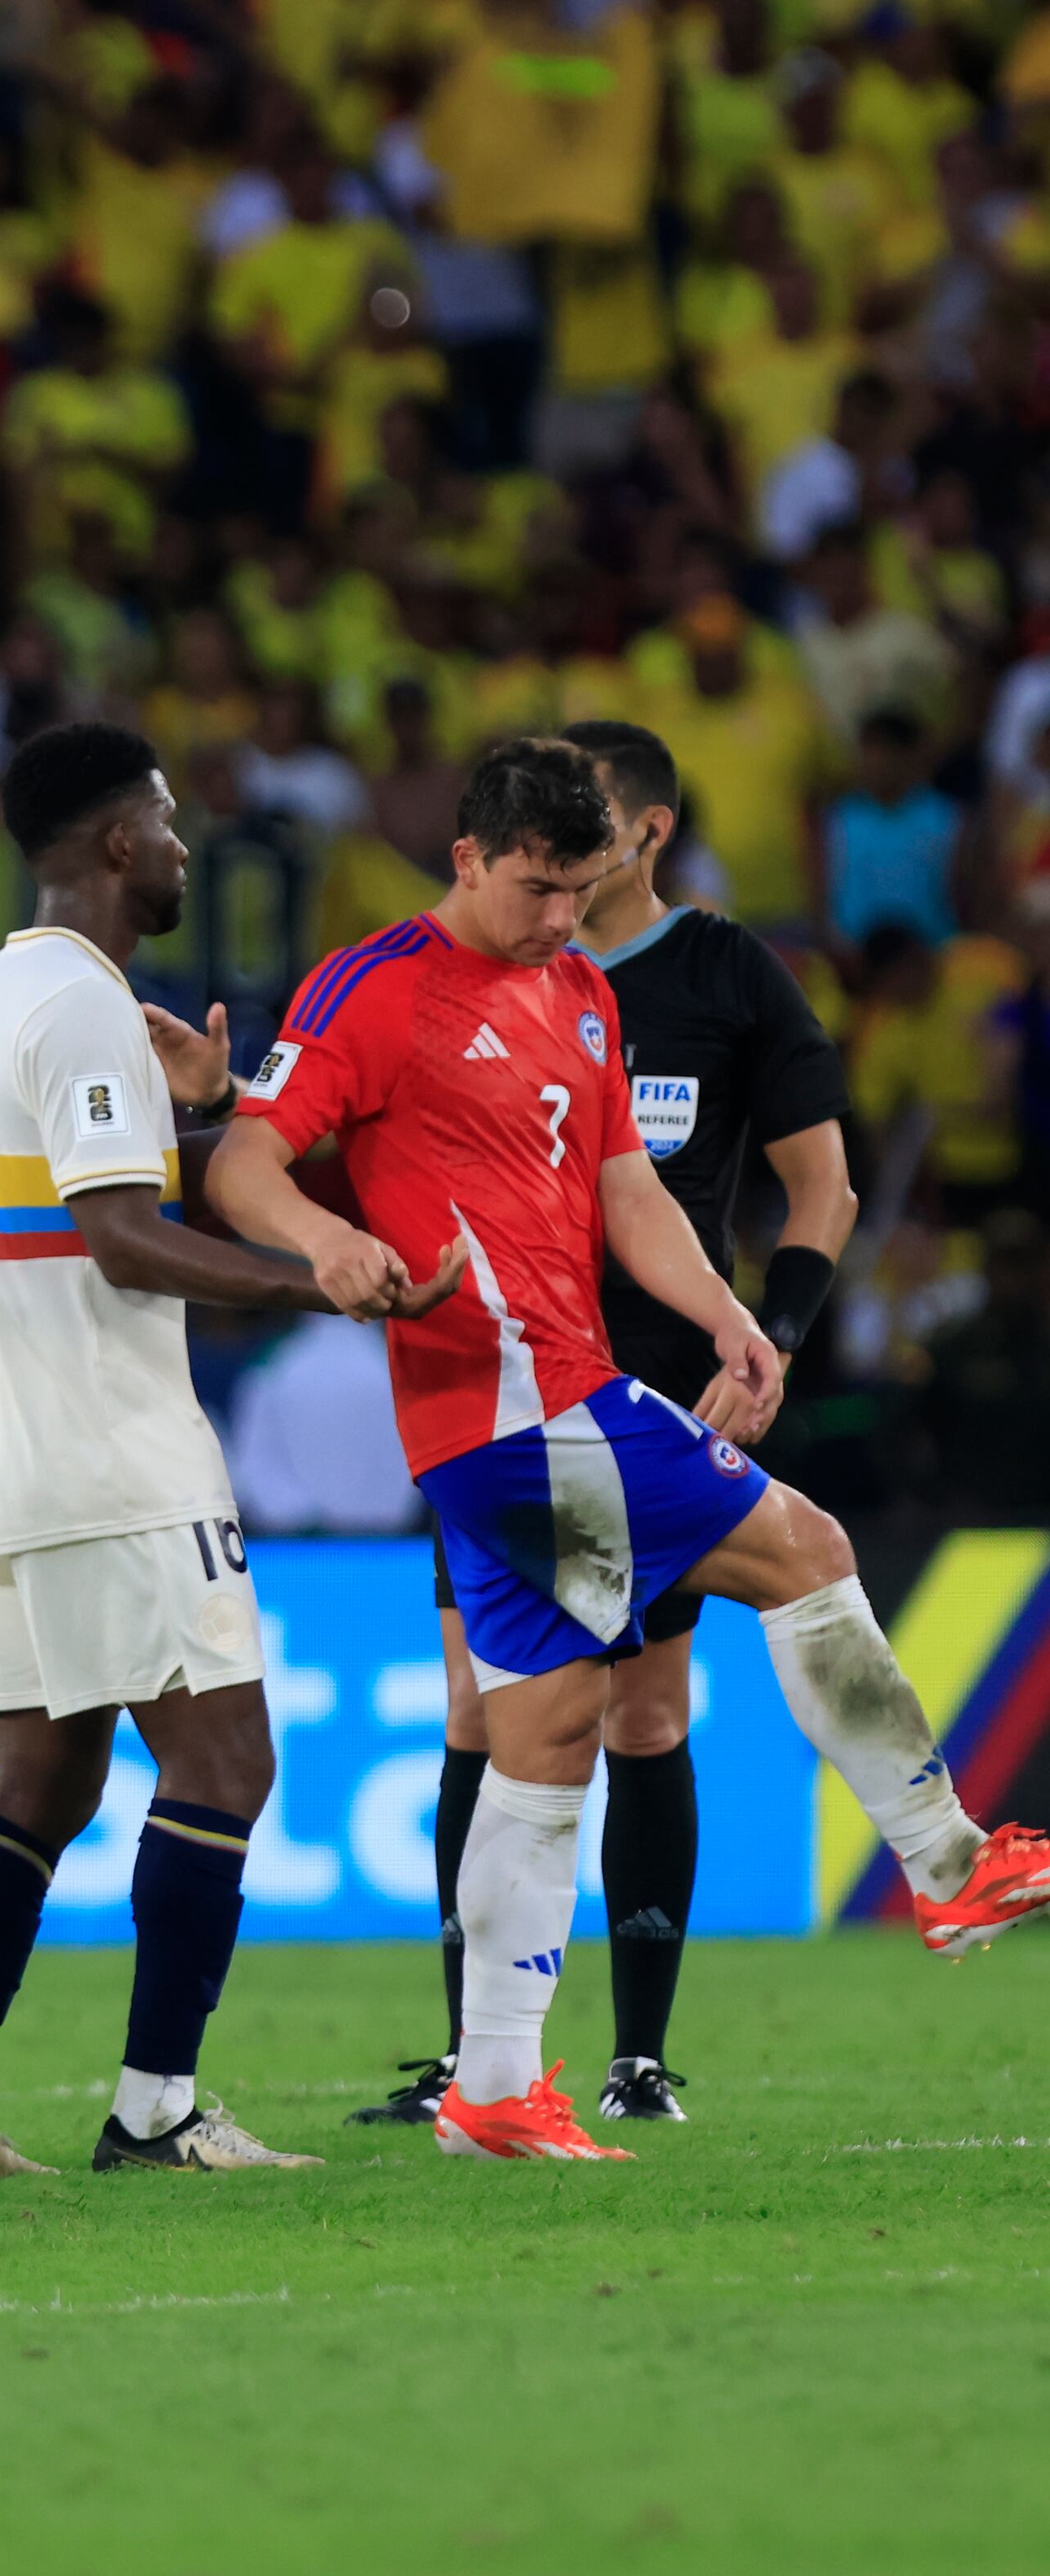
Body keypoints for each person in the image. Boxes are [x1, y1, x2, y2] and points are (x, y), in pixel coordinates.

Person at [211, 737, 1049, 2164]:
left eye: (583, 889)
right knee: (809, 1550)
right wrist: (329, 1238)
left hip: (542, 1404)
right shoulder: (376, 986)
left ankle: (490, 2088)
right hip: (516, 1406)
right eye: (537, 888)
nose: (559, 919)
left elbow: (628, 1195)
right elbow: (242, 1158)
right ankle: (948, 1860)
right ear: (468, 857)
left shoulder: (585, 994)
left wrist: (733, 1319)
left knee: (544, 1735)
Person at [0, 724, 457, 2185]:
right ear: (114, 846)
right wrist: (310, 1274)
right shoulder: (76, 1008)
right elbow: (125, 1241)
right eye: (167, 819)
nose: (189, 842)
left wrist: (198, 1108)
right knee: (225, 1758)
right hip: (104, 1447)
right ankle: (156, 2108)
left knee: (49, 1780)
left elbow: (99, 1194)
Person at [356, 719, 860, 2131]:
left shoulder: (715, 974)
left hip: (660, 1396)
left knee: (636, 1712)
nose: (564, 884)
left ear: (646, 830)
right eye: (543, 860)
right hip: (506, 1400)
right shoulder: (481, 980)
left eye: (588, 843)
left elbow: (817, 1183)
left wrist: (770, 1331)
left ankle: (630, 2055)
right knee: (495, 1710)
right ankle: (482, 2065)